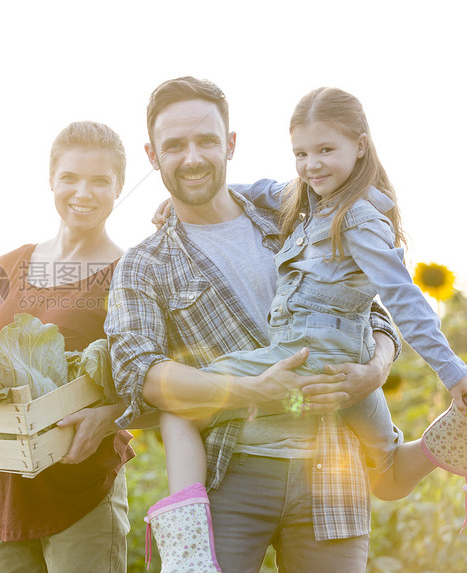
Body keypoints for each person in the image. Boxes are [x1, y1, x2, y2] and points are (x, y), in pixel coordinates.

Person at [150, 84, 467, 571]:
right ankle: (453, 435)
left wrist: (452, 371)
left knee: (178, 403)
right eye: (301, 153)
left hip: (303, 355)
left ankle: (188, 556)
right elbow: (263, 189)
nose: (311, 164)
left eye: (325, 150)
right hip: (349, 360)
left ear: (360, 145)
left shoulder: (357, 219)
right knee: (387, 475)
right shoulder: (313, 199)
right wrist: (185, 198)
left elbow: (404, 297)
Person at [106, 77, 402, 573]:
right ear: (152, 155)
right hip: (230, 469)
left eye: (206, 140)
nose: (193, 157)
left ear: (231, 144)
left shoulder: (294, 218)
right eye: (174, 146)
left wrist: (376, 367)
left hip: (330, 467)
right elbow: (141, 375)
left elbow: (370, 307)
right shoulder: (144, 264)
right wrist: (251, 390)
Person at [0, 120, 135, 573]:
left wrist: (108, 417)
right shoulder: (8, 265)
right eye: (70, 178)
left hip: (80, 489)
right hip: (4, 487)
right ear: (51, 181)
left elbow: (151, 380)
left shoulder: (129, 274)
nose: (84, 192)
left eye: (100, 180)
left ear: (119, 186)